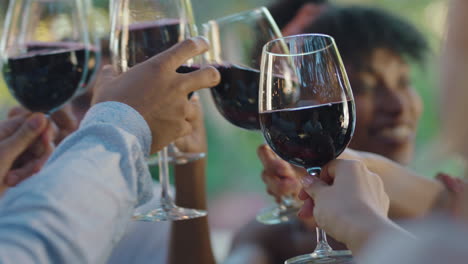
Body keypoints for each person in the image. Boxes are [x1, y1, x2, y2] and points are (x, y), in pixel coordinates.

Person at [168, 5, 434, 264]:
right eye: (365, 86)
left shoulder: (446, 211)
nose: (398, 105)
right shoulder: (280, 238)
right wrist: (189, 164)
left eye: (404, 82)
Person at [0, 36, 221, 263]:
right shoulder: (13, 195)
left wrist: (190, 169)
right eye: (83, 102)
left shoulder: (153, 208)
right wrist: (120, 123)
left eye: (102, 106)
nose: (93, 117)